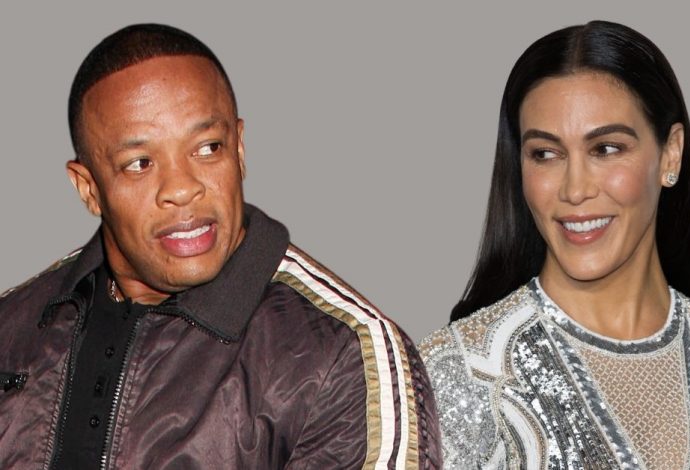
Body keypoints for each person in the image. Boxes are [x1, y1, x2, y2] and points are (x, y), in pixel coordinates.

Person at [0, 23, 440, 469]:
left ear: (239, 149)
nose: (182, 188)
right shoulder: (12, 325)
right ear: (88, 188)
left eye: (208, 148)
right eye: (140, 163)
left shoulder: (343, 353)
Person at [419, 20, 690, 469]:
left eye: (606, 149)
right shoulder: (457, 375)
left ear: (671, 153)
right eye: (545, 154)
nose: (575, 190)